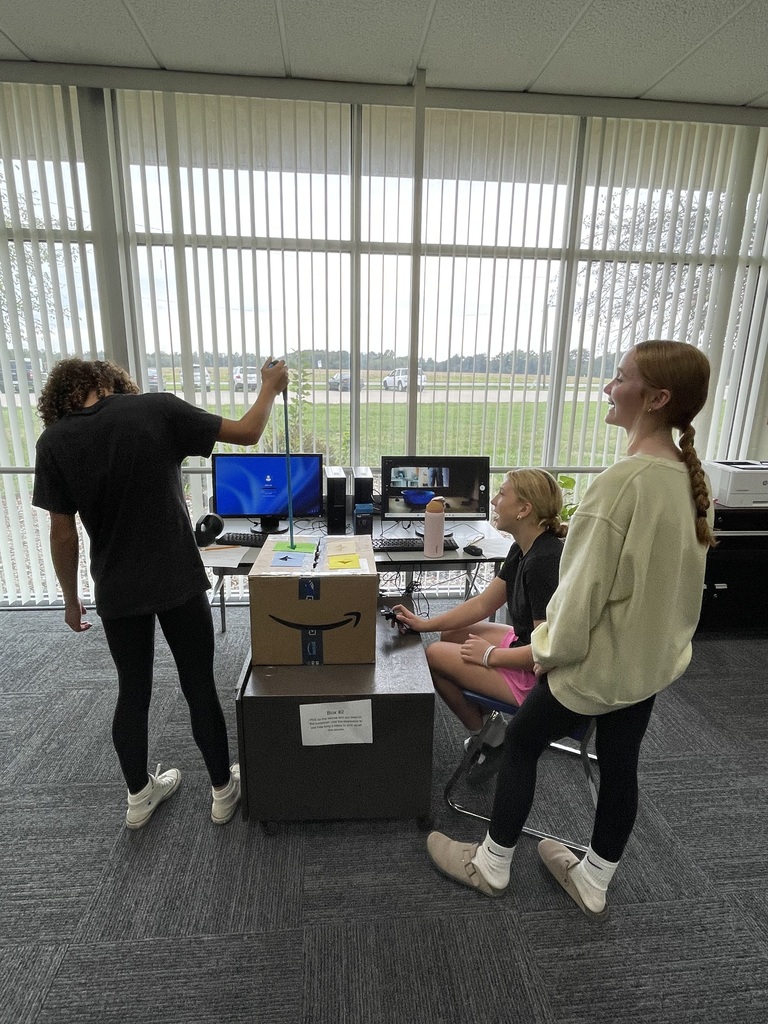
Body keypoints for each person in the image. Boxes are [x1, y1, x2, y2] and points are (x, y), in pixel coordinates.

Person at [426, 340, 715, 918]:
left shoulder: (620, 486)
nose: (609, 387)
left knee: (523, 747)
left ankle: (491, 865)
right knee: (619, 764)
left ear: (656, 398)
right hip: (646, 666)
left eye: (620, 377)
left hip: (592, 668)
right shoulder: (686, 480)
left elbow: (574, 612)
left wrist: (529, 656)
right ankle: (594, 879)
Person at [33, 355, 290, 830]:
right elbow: (249, 432)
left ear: (62, 397)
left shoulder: (54, 441)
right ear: (109, 383)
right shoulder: (154, 409)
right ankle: (221, 791)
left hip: (116, 589)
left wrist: (71, 600)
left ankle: (138, 796)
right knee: (197, 687)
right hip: (177, 580)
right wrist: (270, 387)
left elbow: (61, 532)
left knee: (133, 692)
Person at [391, 469, 567, 766]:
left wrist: (490, 656)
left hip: (539, 677)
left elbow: (545, 653)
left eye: (502, 494)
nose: (495, 501)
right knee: (450, 636)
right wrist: (425, 623)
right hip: (524, 645)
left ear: (524, 510)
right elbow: (483, 604)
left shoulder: (543, 563)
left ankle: (487, 734)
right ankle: (491, 727)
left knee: (433, 654)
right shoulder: (524, 547)